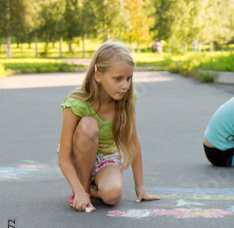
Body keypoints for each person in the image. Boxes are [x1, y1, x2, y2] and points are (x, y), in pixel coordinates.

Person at [58, 41, 160, 212]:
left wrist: (140, 187)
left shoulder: (127, 99)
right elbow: (63, 157)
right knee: (89, 124)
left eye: (128, 78)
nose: (125, 85)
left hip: (106, 158)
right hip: (78, 157)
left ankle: (94, 190)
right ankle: (83, 189)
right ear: (98, 76)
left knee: (113, 196)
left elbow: (133, 142)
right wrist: (78, 191)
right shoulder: (76, 103)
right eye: (118, 79)